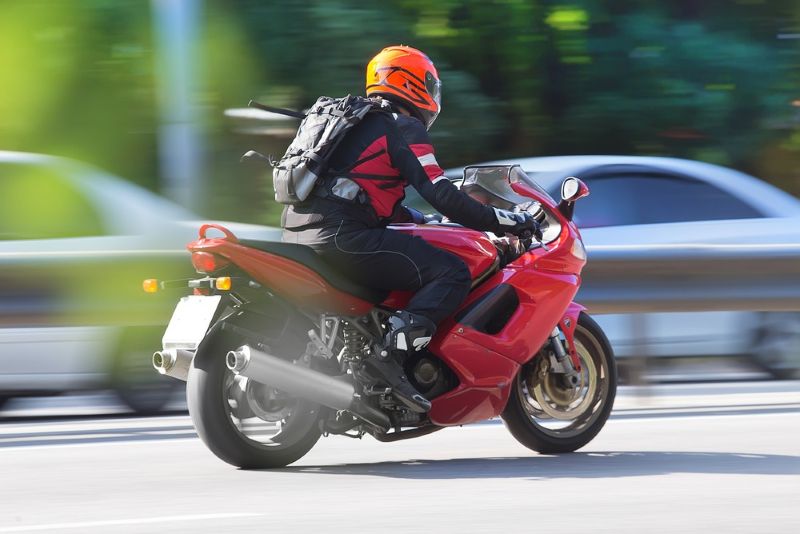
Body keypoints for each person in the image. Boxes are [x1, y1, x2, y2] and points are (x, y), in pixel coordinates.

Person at [282, 45, 539, 413]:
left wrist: (426, 221)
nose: (432, 94)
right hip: (345, 238)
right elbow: (440, 192)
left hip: (298, 234)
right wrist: (506, 219)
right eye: (430, 84)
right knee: (451, 271)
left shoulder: (351, 124)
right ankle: (386, 357)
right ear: (411, 83)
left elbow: (368, 196)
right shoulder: (402, 126)